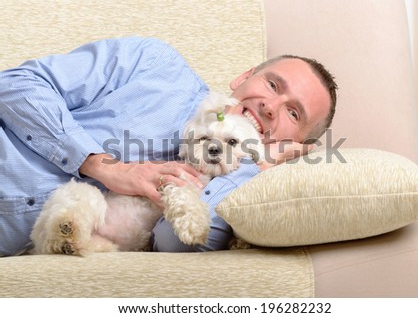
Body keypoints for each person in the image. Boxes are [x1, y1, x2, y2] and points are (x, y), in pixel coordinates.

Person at [0, 36, 337, 256]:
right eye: (272, 84)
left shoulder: (242, 188)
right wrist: (100, 164)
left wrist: (256, 164)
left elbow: (178, 242)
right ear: (243, 77)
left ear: (298, 144)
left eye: (293, 113)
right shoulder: (154, 63)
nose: (270, 106)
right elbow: (14, 84)